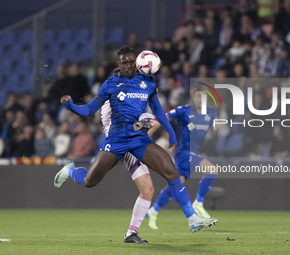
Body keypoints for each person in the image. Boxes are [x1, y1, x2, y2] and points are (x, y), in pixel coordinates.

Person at [53, 47, 217, 242]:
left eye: (132, 61)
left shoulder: (147, 82)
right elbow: (89, 110)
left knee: (169, 173)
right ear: (119, 65)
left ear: (138, 62)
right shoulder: (111, 84)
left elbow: (158, 111)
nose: (130, 65)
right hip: (116, 141)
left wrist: (171, 134)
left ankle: (191, 219)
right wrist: (71, 106)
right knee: (90, 181)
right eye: (125, 63)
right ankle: (71, 171)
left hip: (139, 140)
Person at [146, 89, 220, 230]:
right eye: (198, 96)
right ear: (193, 98)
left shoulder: (211, 114)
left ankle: (153, 211)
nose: (201, 99)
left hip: (194, 152)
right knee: (211, 170)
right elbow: (163, 118)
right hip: (183, 152)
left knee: (177, 183)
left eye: (204, 97)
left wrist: (217, 131)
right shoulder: (184, 111)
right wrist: (149, 132)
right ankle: (198, 203)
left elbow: (217, 138)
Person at [101, 100, 155, 243]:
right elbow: (115, 128)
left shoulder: (132, 92)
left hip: (133, 141)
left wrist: (145, 124)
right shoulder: (113, 93)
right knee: (90, 180)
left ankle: (131, 233)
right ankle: (72, 171)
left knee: (148, 190)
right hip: (119, 141)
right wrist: (142, 125)